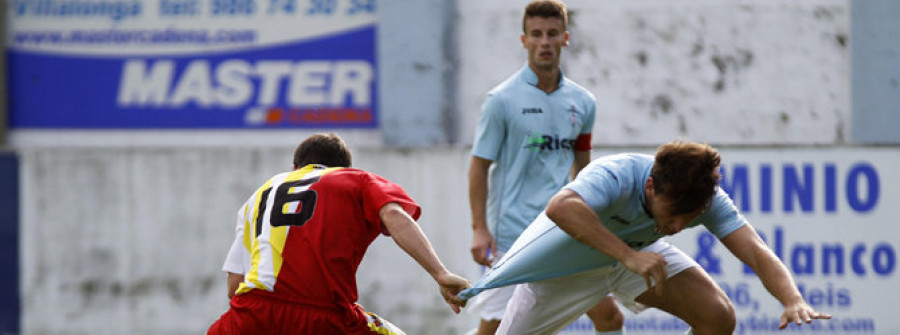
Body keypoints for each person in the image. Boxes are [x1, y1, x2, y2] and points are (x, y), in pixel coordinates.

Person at [458, 140, 833, 335]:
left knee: (718, 317)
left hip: (633, 257)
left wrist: (792, 298)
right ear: (650, 186)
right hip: (567, 268)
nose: (674, 229)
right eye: (672, 217)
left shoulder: (705, 198)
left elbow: (756, 249)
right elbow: (561, 208)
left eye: (688, 220)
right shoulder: (617, 173)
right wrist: (627, 255)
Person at [208, 133, 470, 335]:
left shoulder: (258, 195)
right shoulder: (356, 180)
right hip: (324, 317)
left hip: (251, 316)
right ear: (344, 167)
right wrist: (440, 273)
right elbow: (394, 215)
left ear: (295, 167)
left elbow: (234, 286)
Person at [467, 1, 624, 334]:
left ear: (565, 38)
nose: (544, 42)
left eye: (552, 34)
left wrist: (590, 220)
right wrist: (479, 228)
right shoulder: (502, 100)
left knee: (610, 317)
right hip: (512, 237)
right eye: (536, 34)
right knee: (494, 328)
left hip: (561, 230)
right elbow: (478, 166)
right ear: (523, 40)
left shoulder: (583, 102)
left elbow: (583, 168)